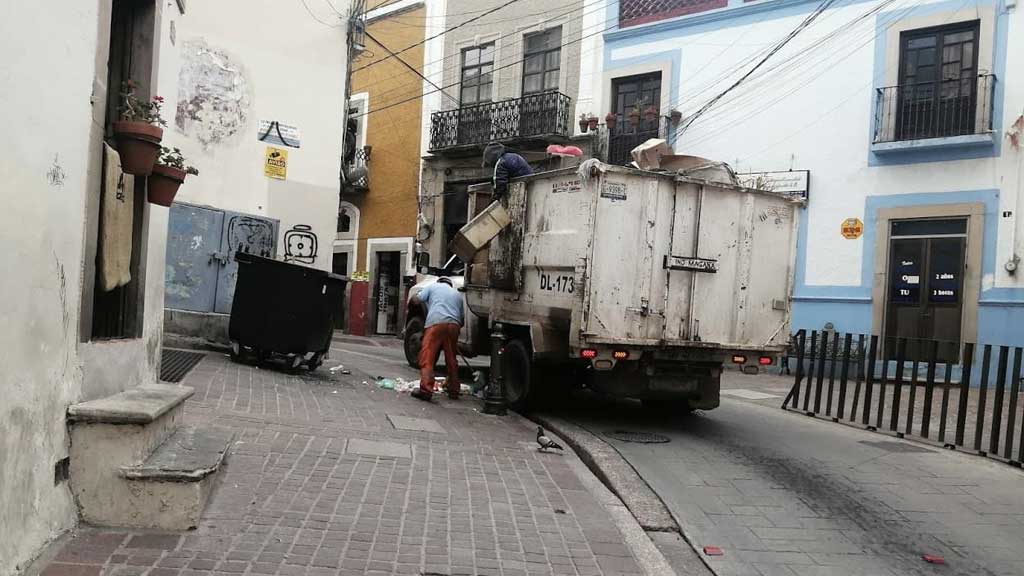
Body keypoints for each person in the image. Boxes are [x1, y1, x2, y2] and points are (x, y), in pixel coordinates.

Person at [410, 277, 464, 401]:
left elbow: (416, 300)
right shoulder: (457, 294)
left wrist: (415, 296)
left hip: (436, 323)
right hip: (454, 325)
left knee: (427, 356)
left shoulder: (433, 287)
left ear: (439, 282)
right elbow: (462, 319)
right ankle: (454, 389)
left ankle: (426, 390)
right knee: (451, 358)